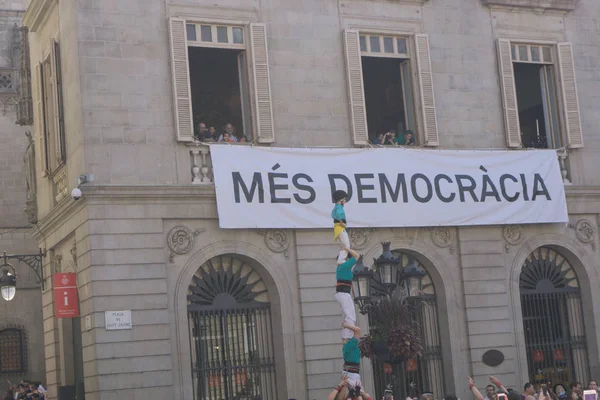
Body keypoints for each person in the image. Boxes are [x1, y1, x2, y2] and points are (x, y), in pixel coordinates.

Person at [335, 246, 360, 340]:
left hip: (341, 293)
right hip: (344, 293)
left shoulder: (340, 268)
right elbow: (357, 256)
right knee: (350, 316)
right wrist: (347, 248)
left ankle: (346, 336)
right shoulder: (345, 266)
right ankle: (347, 337)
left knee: (348, 315)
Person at [332, 190, 350, 264]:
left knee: (344, 244)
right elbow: (339, 216)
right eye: (345, 199)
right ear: (341, 199)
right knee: (346, 245)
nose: (345, 201)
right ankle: (341, 259)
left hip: (338, 228)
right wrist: (343, 223)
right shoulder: (339, 208)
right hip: (340, 227)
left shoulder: (337, 207)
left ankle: (342, 258)